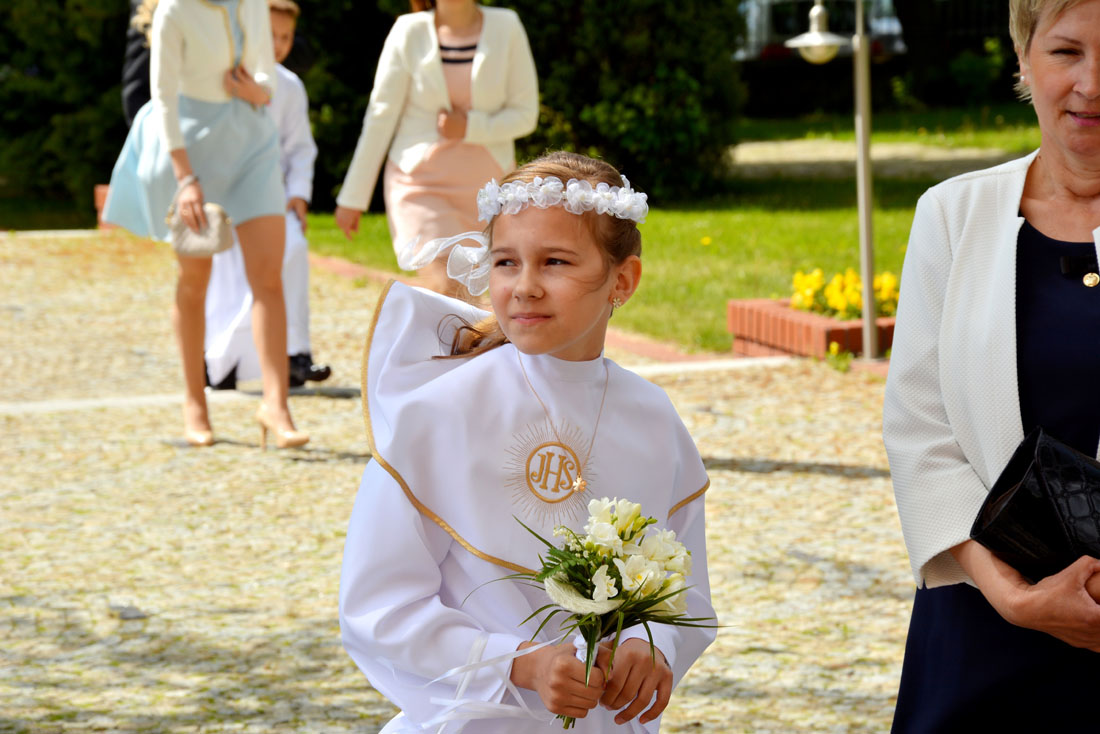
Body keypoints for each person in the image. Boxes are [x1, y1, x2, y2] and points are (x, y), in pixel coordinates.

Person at [339, 152, 715, 732]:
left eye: (555, 262)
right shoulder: (439, 415)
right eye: (506, 262)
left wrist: (650, 645)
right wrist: (519, 663)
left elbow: (684, 588)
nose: (525, 287)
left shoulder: (652, 419)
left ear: (622, 280)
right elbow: (379, 607)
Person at [883, 0, 1100, 729]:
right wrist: (1011, 594)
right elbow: (919, 428)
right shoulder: (952, 215)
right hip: (980, 623)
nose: (1092, 84)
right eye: (1066, 52)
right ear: (1025, 61)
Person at [103, 0, 308, 449]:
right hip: (190, 148)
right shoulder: (173, 12)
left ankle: (276, 405)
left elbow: (266, 76)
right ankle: (194, 401)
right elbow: (162, 98)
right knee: (195, 279)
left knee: (268, 276)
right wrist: (185, 180)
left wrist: (261, 92)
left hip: (252, 142)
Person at [332, 0, 538, 296]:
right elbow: (381, 116)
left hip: (488, 193)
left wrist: (469, 127)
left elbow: (526, 114)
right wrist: (353, 197)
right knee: (444, 285)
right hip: (420, 185)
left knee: (473, 298)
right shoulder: (408, 31)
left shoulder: (507, 26)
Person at [203, 0, 332, 391]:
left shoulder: (290, 86)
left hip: (273, 198)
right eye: (270, 35)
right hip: (224, 198)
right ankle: (222, 359)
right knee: (228, 276)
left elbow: (300, 148)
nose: (277, 45)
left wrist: (299, 194)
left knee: (292, 252)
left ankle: (294, 353)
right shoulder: (221, 76)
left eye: (286, 37)